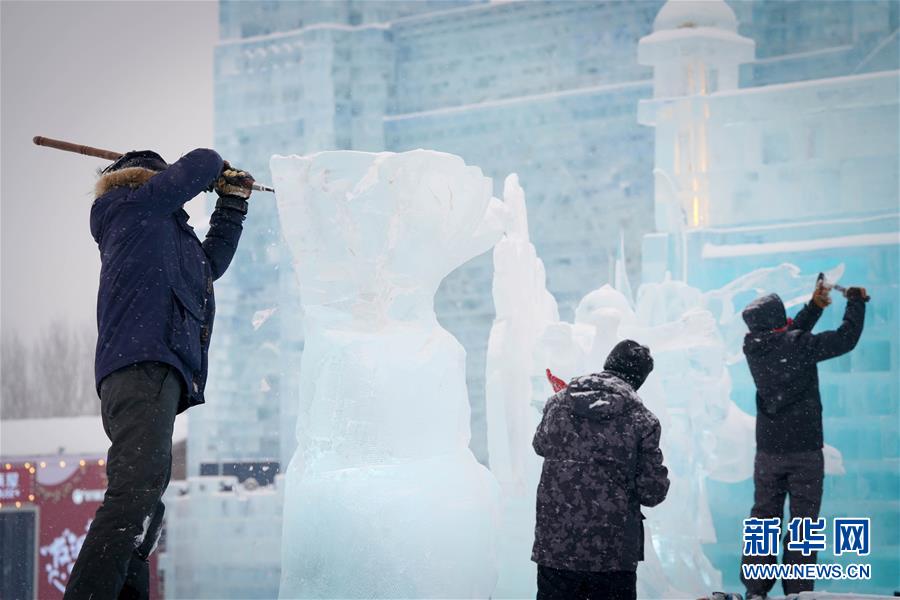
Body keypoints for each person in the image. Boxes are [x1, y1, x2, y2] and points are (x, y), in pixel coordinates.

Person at [64, 149, 254, 600]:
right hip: (140, 366)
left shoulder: (166, 235)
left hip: (156, 371)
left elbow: (210, 267)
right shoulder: (130, 207)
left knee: (146, 503)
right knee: (134, 495)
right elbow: (204, 160)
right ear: (150, 180)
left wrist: (232, 206)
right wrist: (218, 173)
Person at [739, 280, 868, 599]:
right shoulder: (796, 346)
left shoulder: (754, 345)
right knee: (803, 526)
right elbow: (845, 339)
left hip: (768, 452)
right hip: (805, 452)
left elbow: (786, 336)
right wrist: (856, 303)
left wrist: (814, 307)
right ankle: (796, 592)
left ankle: (756, 590)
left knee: (764, 518)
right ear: (778, 321)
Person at [532, 339, 670, 600]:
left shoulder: (559, 403)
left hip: (556, 547)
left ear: (608, 364)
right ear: (639, 380)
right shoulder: (643, 420)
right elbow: (653, 492)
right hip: (612, 554)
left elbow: (540, 445)